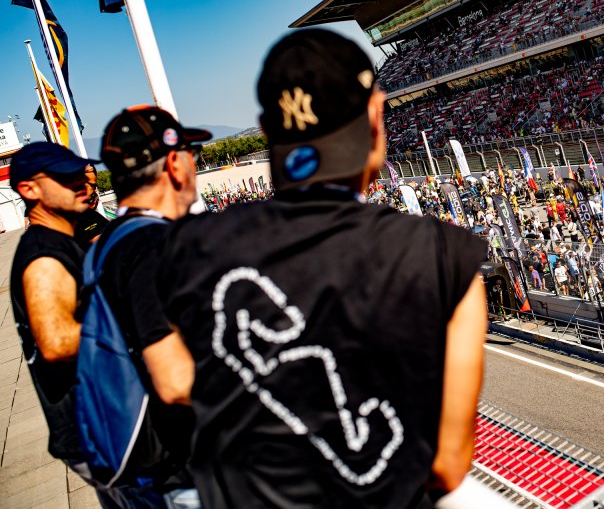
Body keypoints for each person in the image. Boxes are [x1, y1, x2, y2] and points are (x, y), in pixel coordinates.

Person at [155, 30, 488, 508]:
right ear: (375, 116)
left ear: (267, 131)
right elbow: (447, 463)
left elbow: (177, 385)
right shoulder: (444, 256)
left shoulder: (185, 247)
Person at [93, 106, 214, 506]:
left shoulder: (110, 242)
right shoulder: (152, 246)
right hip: (186, 472)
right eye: (192, 154)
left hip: (144, 465)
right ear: (175, 164)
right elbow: (174, 379)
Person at [7, 143, 105, 495]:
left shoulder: (58, 241)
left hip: (97, 424)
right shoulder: (45, 256)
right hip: (97, 428)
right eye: (66, 177)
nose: (81, 182)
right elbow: (56, 341)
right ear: (29, 190)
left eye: (81, 174)